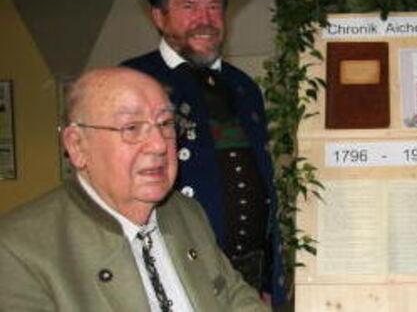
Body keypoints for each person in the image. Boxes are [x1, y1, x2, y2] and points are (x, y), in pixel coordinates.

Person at [0, 67, 269, 311]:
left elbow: (236, 297)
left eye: (165, 124)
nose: (158, 145)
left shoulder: (186, 212)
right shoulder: (17, 250)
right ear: (78, 146)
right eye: (131, 127)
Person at [122, 0, 286, 306]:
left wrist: (271, 276)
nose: (205, 19)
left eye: (214, 7)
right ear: (159, 17)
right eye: (189, 7)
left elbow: (263, 180)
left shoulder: (243, 86)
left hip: (248, 280)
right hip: (178, 276)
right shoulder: (131, 81)